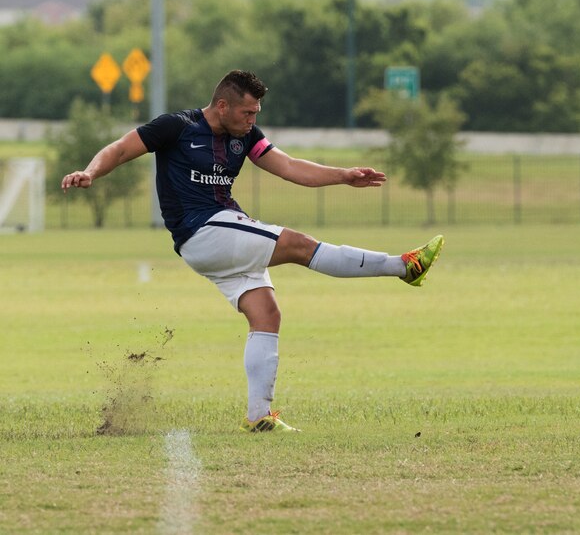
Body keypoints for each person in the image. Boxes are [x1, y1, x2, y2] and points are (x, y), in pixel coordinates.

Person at [61, 69, 444, 433]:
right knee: (296, 243)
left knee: (266, 313)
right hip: (202, 231)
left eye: (255, 113)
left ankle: (258, 417)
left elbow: (291, 167)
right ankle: (403, 267)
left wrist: (343, 175)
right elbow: (120, 148)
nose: (251, 119)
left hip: (223, 235)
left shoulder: (246, 136)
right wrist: (91, 172)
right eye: (247, 111)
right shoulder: (176, 126)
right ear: (223, 105)